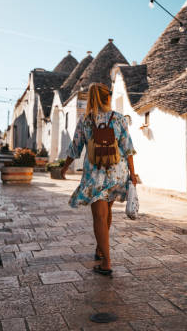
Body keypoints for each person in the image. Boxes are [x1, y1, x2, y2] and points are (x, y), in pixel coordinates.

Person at [60, 82, 137, 276]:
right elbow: (128, 148)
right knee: (107, 212)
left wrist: (65, 167)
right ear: (107, 98)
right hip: (117, 173)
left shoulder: (86, 120)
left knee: (99, 217)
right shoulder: (119, 119)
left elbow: (75, 147)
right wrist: (133, 173)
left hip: (95, 175)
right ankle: (99, 249)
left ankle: (106, 263)